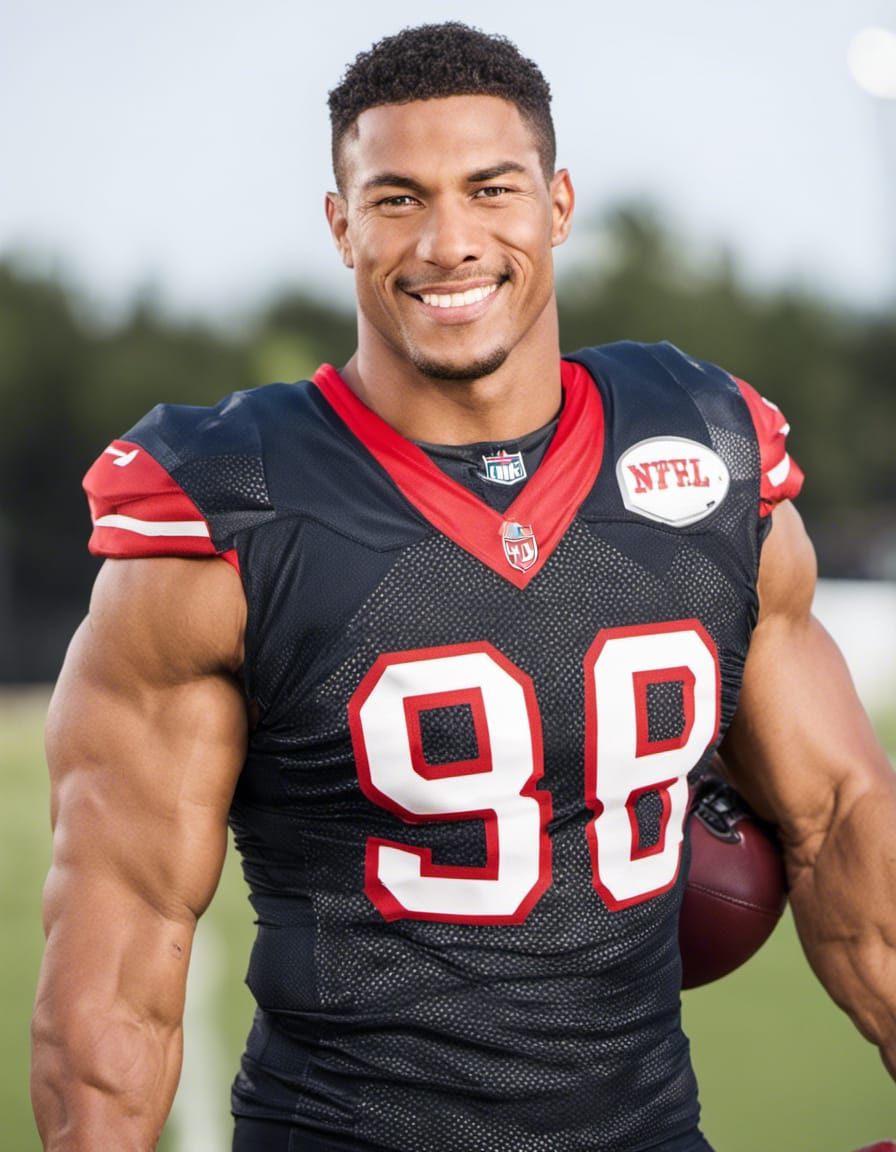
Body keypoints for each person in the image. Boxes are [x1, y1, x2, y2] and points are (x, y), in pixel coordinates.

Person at [31, 21, 896, 1152]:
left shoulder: (705, 454)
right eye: (396, 200)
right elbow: (119, 961)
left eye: (491, 189)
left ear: (558, 205)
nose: (448, 242)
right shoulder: (234, 509)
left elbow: (840, 817)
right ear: (340, 226)